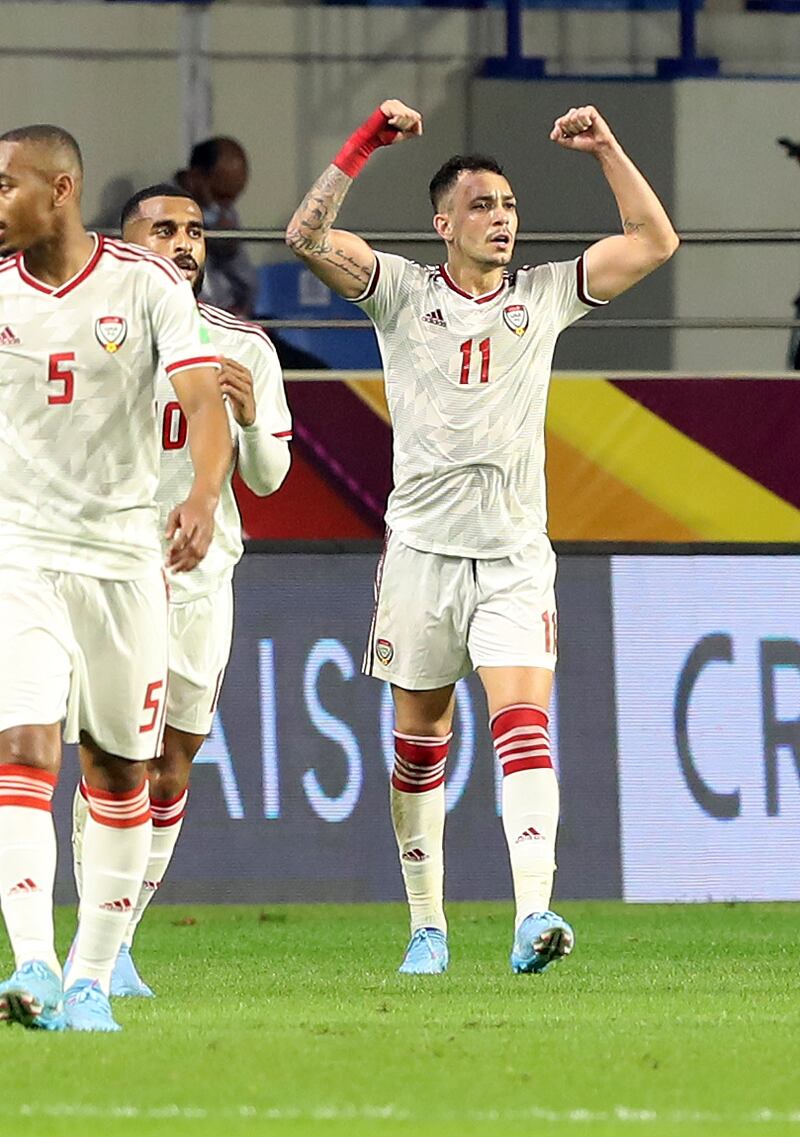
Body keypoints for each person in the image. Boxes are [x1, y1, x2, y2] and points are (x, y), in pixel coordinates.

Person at [286, 101, 679, 975]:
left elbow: (654, 241)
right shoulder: (399, 292)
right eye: (481, 205)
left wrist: (609, 146)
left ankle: (532, 914)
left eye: (507, 205)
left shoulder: (542, 296)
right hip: (421, 555)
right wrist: (362, 146)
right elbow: (306, 235)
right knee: (420, 747)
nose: (501, 218)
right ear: (443, 224)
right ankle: (428, 925)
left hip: (511, 557)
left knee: (523, 723)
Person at [0, 126, 232, 1030]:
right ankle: (32, 964)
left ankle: (93, 977)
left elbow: (204, 403)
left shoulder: (145, 287)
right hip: (21, 556)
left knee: (120, 769)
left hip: (125, 564)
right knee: (23, 751)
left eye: (5, 184)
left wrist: (205, 493)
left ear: (60, 188)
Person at [70, 184, 292, 998]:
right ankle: (99, 943)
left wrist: (249, 419)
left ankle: (120, 936)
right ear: (122, 241)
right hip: (113, 573)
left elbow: (269, 480)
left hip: (204, 579)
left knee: (170, 765)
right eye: (163, 228)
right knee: (112, 758)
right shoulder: (97, 328)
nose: (186, 242)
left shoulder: (246, 347)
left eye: (195, 230)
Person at [175, 137, 258, 318]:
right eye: (221, 196)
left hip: (234, 323)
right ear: (195, 178)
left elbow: (249, 288)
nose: (227, 207)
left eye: (233, 197)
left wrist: (230, 253)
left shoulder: (224, 214)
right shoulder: (162, 214)